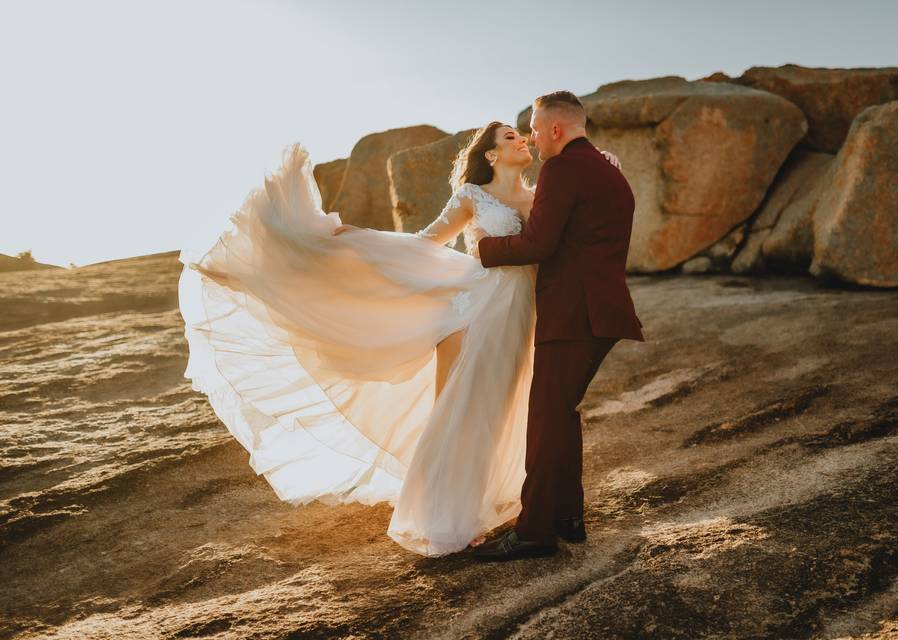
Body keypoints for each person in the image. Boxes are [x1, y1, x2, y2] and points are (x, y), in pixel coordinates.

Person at [177, 110, 630, 557]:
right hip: (478, 309)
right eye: (512, 136)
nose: (523, 140)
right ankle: (447, 518)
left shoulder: (543, 193)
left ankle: (503, 506)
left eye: (524, 134)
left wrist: (604, 160)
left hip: (525, 315)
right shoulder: (473, 195)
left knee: (504, 417)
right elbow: (425, 242)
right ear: (490, 154)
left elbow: (565, 219)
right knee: (464, 411)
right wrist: (356, 237)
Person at [469, 91, 645, 561]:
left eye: (533, 127)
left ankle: (535, 533)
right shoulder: (610, 171)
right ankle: (568, 517)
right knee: (560, 413)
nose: (529, 136)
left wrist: (484, 247)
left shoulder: (563, 169)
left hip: (574, 314)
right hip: (598, 312)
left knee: (546, 420)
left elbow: (538, 243)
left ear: (555, 130)